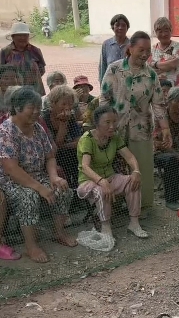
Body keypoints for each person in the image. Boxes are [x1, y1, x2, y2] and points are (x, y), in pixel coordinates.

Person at [0, 87, 76, 263]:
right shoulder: (6, 131)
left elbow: (50, 156)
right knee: (29, 197)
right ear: (17, 108)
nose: (36, 112)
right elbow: (11, 169)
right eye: (31, 107)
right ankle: (31, 246)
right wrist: (40, 188)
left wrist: (53, 177)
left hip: (37, 174)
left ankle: (59, 233)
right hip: (12, 180)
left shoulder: (38, 128)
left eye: (38, 108)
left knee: (62, 189)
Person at [101, 31, 172, 210]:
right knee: (114, 169)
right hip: (114, 129)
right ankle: (114, 208)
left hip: (141, 130)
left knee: (141, 169)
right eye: (140, 49)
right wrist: (105, 125)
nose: (144, 54)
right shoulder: (114, 69)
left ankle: (141, 208)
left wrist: (165, 129)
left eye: (148, 50)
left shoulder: (151, 75)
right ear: (130, 49)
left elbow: (158, 104)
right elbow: (104, 99)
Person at [77, 105, 148, 238]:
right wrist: (101, 181)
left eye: (114, 122)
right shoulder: (87, 139)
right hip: (87, 182)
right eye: (107, 122)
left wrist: (136, 171)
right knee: (100, 190)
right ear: (97, 123)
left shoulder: (114, 138)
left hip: (109, 178)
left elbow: (130, 157)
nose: (112, 126)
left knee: (132, 181)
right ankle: (106, 227)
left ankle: (134, 223)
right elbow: (85, 167)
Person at [42, 85, 82, 190]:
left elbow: (79, 142)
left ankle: (78, 192)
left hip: (68, 153)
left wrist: (62, 146)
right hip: (49, 157)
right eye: (63, 104)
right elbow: (54, 147)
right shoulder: (44, 119)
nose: (67, 107)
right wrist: (63, 123)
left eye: (70, 104)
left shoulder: (71, 117)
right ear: (53, 103)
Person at [1, 22, 46, 95]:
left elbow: (42, 69)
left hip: (35, 91)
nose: (22, 38)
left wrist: (31, 78)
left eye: (25, 35)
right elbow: (1, 72)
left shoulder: (35, 50)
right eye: (19, 35)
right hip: (13, 92)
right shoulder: (5, 52)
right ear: (13, 37)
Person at [149, 17, 179, 87]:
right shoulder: (152, 49)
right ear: (155, 33)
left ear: (171, 31)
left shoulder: (177, 46)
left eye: (166, 30)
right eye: (160, 31)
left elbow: (174, 64)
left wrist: (155, 64)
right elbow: (149, 68)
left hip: (175, 88)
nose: (163, 34)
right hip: (158, 88)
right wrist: (167, 65)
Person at [99, 14, 130, 83]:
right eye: (117, 25)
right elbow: (102, 67)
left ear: (127, 27)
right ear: (113, 27)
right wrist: (102, 85)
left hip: (128, 85)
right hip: (111, 84)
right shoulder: (106, 45)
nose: (120, 28)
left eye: (123, 25)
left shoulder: (132, 45)